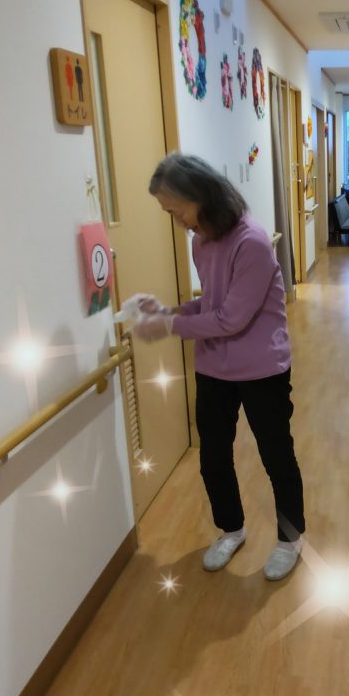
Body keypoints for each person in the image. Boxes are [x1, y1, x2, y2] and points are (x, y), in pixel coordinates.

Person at [133, 153, 306, 581]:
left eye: (177, 211)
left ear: (201, 196)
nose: (177, 222)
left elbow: (232, 318)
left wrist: (169, 326)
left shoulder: (252, 242)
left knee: (276, 455)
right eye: (169, 214)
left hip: (262, 368)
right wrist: (169, 310)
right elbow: (212, 302)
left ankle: (290, 539)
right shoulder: (201, 241)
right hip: (214, 367)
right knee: (213, 457)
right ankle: (232, 529)